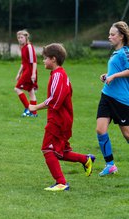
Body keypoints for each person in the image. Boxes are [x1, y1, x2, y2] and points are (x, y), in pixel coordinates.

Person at [29, 43, 95, 191]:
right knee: (60, 152)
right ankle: (86, 159)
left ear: (53, 59)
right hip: (61, 118)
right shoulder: (59, 74)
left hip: (58, 120)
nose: (43, 61)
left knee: (47, 149)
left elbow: (54, 100)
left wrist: (35, 107)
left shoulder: (58, 75)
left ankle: (61, 182)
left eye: (45, 58)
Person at [96, 21, 129, 176]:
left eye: (112, 34)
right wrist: (107, 76)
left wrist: (114, 76)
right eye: (109, 34)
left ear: (121, 36)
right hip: (106, 96)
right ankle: (110, 165)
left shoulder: (126, 52)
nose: (109, 37)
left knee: (127, 134)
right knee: (100, 130)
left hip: (121, 99)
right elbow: (115, 71)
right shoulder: (115, 52)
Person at [14, 30, 38, 117]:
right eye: (18, 38)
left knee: (17, 88)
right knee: (31, 91)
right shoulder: (23, 48)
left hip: (29, 71)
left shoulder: (29, 47)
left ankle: (28, 109)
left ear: (26, 38)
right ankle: (34, 113)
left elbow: (34, 62)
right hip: (26, 71)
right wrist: (18, 73)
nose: (20, 39)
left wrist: (33, 74)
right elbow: (23, 62)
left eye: (21, 37)